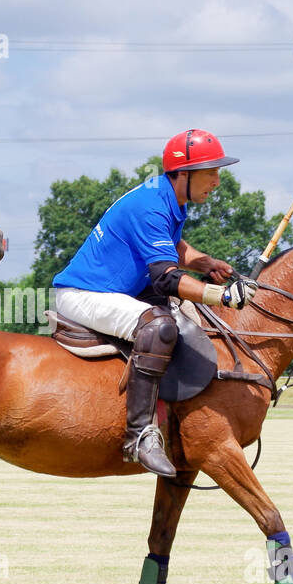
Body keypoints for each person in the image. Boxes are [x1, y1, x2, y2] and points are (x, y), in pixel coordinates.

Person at [51, 129, 255, 478]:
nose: (217, 181)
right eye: (211, 172)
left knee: (190, 316)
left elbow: (172, 248)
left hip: (119, 292)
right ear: (183, 173)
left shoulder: (168, 199)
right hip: (85, 295)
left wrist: (206, 264)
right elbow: (165, 277)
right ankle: (141, 435)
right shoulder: (150, 206)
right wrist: (219, 296)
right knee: (159, 328)